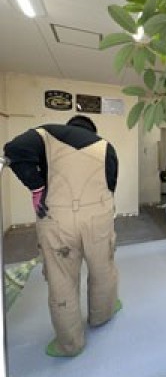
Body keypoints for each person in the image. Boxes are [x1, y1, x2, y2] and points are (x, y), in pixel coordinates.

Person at [4, 115, 121, 357]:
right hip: (98, 218)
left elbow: (13, 150)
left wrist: (36, 186)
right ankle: (102, 315)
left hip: (57, 219)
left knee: (62, 279)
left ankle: (69, 344)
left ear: (71, 126)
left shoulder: (46, 134)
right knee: (103, 268)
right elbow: (111, 185)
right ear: (92, 130)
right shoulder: (106, 146)